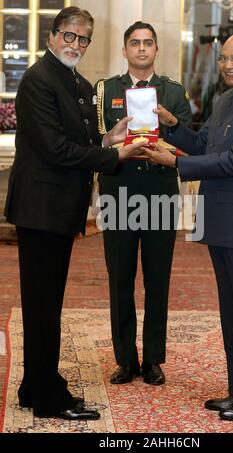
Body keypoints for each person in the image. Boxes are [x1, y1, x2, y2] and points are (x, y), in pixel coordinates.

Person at [4, 7, 145, 421]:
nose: (76, 45)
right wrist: (112, 154)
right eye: (69, 36)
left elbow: (75, 142)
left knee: (47, 303)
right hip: (41, 209)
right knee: (43, 305)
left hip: (60, 209)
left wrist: (108, 137)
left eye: (83, 39)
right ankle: (46, 396)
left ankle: (35, 385)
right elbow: (55, 149)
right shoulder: (38, 80)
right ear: (53, 35)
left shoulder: (77, 83)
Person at [145, 32, 233, 421]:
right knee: (232, 313)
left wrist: (175, 164)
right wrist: (172, 128)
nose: (229, 66)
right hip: (222, 221)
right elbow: (206, 146)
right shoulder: (224, 99)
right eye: (224, 59)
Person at [95, 21, 192, 385]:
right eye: (134, 43)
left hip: (160, 190)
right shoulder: (105, 90)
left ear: (155, 49)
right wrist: (112, 140)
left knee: (157, 277)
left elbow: (187, 139)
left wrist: (167, 120)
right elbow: (96, 140)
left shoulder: (173, 91)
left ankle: (152, 358)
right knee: (120, 277)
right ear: (125, 50)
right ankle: (125, 359)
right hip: (118, 189)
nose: (141, 49)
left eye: (147, 43)